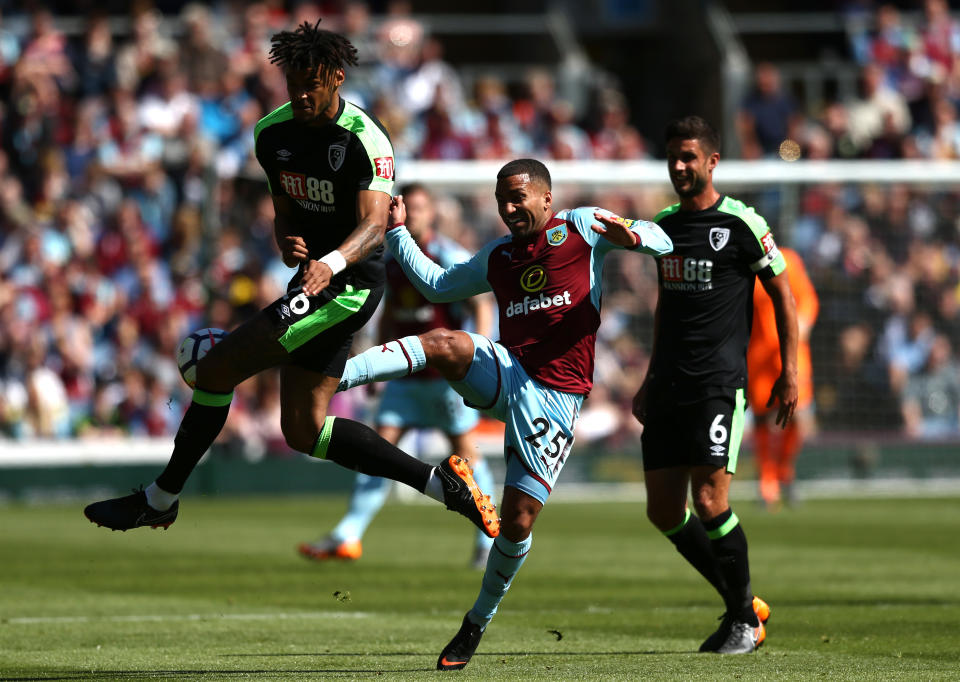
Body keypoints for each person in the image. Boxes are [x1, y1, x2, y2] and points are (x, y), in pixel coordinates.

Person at [83, 19, 499, 542]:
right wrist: (287, 240)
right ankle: (440, 483)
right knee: (304, 430)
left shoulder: (366, 140)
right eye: (294, 82)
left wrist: (332, 263)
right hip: (310, 283)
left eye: (313, 83)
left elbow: (375, 227)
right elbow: (285, 208)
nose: (302, 92)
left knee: (215, 370)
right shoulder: (270, 133)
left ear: (338, 78)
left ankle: (160, 498)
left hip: (347, 290)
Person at [335, 158, 673, 670]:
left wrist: (635, 235)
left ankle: (475, 623)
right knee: (443, 342)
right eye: (502, 200)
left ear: (545, 198)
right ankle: (335, 375)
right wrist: (399, 232)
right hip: (509, 371)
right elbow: (439, 286)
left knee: (516, 522)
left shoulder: (581, 226)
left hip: (557, 399)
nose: (510, 208)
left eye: (518, 198)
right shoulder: (497, 256)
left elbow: (662, 241)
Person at [634, 116, 798, 654]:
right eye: (673, 158)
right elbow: (665, 307)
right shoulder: (662, 225)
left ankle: (742, 621)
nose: (680, 167)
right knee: (663, 511)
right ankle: (744, 603)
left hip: (717, 385)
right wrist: (649, 377)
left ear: (711, 162)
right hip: (668, 384)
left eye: (689, 157)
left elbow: (783, 296)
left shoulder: (743, 222)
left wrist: (789, 370)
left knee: (709, 501)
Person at [297, 183, 497, 568]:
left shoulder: (448, 254)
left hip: (444, 379)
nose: (415, 215)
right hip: (405, 379)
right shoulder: (391, 261)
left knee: (466, 455)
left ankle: (487, 541)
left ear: (432, 213)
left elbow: (481, 304)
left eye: (421, 208)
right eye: (410, 209)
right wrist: (379, 370)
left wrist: (477, 359)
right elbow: (390, 317)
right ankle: (348, 534)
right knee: (377, 450)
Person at [747, 247, 819, 508]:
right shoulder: (741, 263)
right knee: (763, 417)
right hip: (758, 354)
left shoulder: (789, 259)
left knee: (798, 413)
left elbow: (808, 299)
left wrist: (803, 323)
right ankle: (767, 481)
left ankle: (785, 470)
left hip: (792, 351)